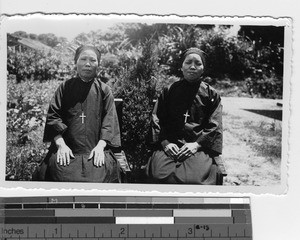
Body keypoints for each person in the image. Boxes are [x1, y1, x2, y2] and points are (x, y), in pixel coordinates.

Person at [35, 45, 121, 182]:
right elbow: (53, 117)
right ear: (76, 62)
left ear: (98, 64)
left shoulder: (104, 90)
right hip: (67, 149)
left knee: (100, 178)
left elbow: (109, 122)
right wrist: (61, 145)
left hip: (95, 149)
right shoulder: (64, 88)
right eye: (83, 59)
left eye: (92, 60)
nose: (87, 64)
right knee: (58, 174)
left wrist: (100, 147)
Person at [146, 47, 223, 184]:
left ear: (203, 68)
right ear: (181, 66)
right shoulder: (169, 91)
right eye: (188, 62)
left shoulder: (212, 95)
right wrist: (164, 143)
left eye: (198, 63)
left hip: (198, 146)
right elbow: (156, 118)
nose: (192, 67)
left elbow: (214, 125)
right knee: (159, 176)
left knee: (194, 180)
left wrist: (196, 145)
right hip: (170, 144)